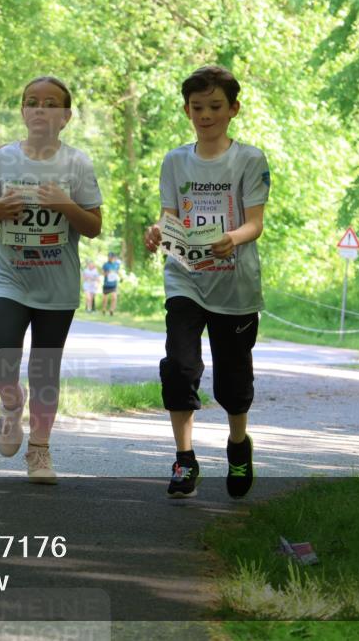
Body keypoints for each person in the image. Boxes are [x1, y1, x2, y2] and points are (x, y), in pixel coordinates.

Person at [143, 65, 270, 500]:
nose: (206, 114)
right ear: (186, 110)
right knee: (179, 366)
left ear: (233, 109)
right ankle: (185, 459)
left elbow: (255, 223)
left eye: (215, 106)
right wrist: (157, 231)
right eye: (197, 107)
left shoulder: (249, 159)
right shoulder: (175, 161)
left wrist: (230, 238)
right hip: (186, 279)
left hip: (234, 284)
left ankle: (238, 444)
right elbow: (170, 217)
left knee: (232, 383)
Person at [0, 75, 102, 484]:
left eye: (50, 104)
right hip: (11, 276)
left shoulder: (77, 163)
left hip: (56, 284)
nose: (40, 109)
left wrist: (65, 205)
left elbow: (95, 225)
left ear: (65, 117)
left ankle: (40, 450)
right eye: (33, 102)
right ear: (24, 111)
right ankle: (11, 404)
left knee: (45, 371)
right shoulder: (4, 160)